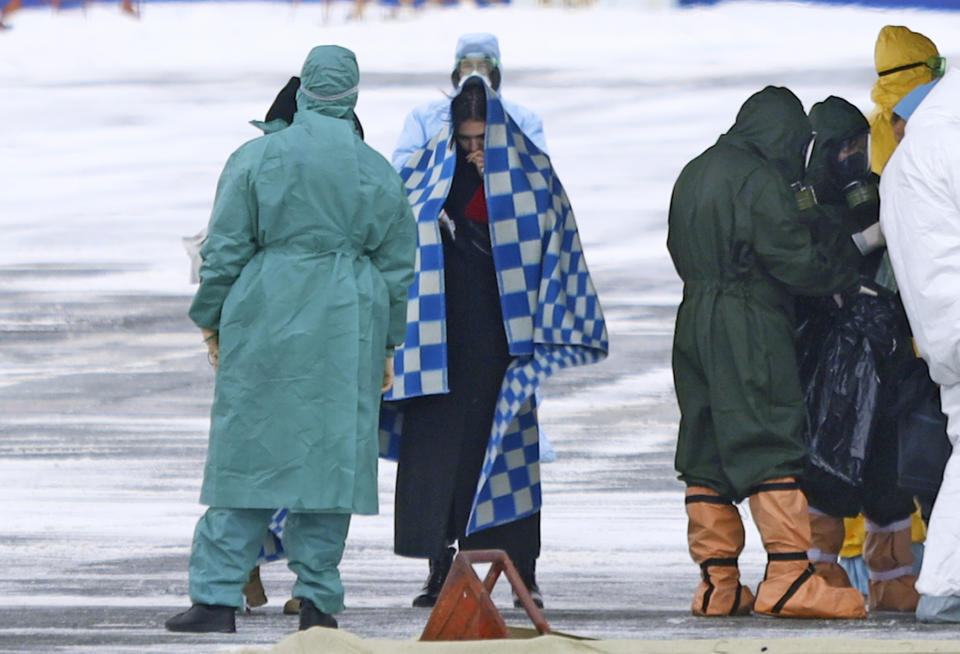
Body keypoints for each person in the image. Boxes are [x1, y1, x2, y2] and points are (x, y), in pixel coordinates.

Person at [164, 44, 416, 633]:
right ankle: (319, 602)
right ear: (353, 96)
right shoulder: (376, 170)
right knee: (331, 465)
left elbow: (224, 250)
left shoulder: (256, 158)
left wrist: (210, 316)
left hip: (264, 313)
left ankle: (217, 599)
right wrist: (387, 343)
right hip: (348, 322)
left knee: (246, 454)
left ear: (302, 91)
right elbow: (398, 268)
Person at [381, 76, 608, 609]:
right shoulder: (426, 173)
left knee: (505, 453)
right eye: (466, 141)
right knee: (443, 456)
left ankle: (522, 570)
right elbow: (397, 230)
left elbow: (556, 243)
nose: (475, 150)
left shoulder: (532, 177)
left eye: (483, 141)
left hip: (504, 343)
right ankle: (443, 566)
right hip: (440, 340)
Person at [667, 85, 868, 619]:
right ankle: (788, 576)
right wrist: (845, 275)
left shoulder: (696, 169)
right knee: (769, 433)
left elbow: (675, 245)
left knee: (706, 444)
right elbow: (793, 259)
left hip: (694, 319)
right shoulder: (759, 180)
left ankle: (717, 584)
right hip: (749, 320)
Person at [793, 96, 920, 612]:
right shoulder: (801, 202)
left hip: (884, 353)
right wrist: (866, 240)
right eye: (842, 147)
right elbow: (810, 265)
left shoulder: (873, 192)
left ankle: (892, 578)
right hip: (834, 361)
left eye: (858, 145)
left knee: (888, 474)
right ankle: (816, 573)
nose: (852, 155)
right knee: (831, 469)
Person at [880, 68, 960, 624]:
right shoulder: (950, 144)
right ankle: (943, 586)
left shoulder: (912, 155)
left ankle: (943, 583)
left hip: (939, 326)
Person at [390, 32, 547, 171]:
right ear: (457, 71)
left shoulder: (523, 119)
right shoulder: (425, 117)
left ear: (496, 71)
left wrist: (497, 166)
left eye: (483, 66)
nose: (474, 73)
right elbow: (402, 167)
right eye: (467, 66)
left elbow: (540, 171)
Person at [867, 25, 943, 175]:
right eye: (937, 65)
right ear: (916, 72)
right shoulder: (929, 123)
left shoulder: (864, 130)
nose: (940, 75)